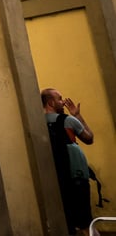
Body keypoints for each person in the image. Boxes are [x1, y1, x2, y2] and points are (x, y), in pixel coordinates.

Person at [42, 88, 95, 235]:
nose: (63, 102)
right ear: (51, 102)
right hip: (76, 176)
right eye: (60, 99)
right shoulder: (68, 120)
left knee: (67, 223)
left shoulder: (38, 123)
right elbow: (89, 138)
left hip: (55, 179)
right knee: (86, 222)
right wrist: (77, 115)